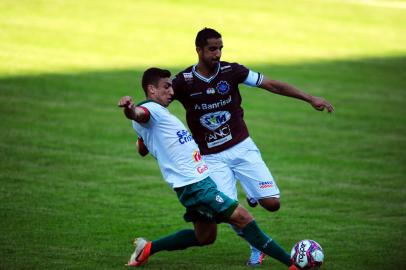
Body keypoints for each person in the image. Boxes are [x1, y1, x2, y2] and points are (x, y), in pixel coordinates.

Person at [171, 27, 334, 266]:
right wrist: (139, 120)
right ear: (198, 50)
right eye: (212, 49)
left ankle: (253, 193)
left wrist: (310, 98)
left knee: (273, 204)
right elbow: (159, 104)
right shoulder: (183, 81)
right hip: (211, 158)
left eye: (220, 48)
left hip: (241, 147)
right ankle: (257, 248)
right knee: (227, 213)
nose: (217, 54)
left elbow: (272, 85)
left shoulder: (232, 71)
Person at [118, 67, 298, 269]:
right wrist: (129, 109)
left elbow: (142, 147)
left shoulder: (158, 115)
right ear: (151, 89)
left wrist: (146, 140)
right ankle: (292, 264)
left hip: (197, 181)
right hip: (195, 186)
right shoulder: (149, 110)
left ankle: (148, 248)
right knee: (242, 218)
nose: (172, 91)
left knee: (205, 236)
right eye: (166, 87)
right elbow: (137, 114)